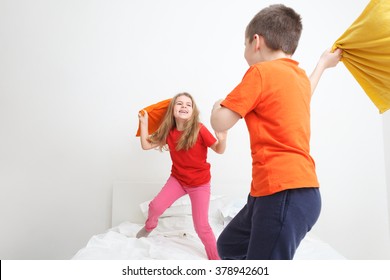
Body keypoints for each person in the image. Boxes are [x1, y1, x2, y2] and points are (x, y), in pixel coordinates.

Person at [210, 4, 342, 260]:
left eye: (244, 44)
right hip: (280, 193)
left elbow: (221, 123)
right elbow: (308, 90)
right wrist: (323, 64)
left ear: (256, 41)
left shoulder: (259, 73)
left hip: (283, 192)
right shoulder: (298, 76)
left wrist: (217, 106)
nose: (244, 51)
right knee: (230, 245)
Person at [137, 92, 227, 260]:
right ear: (173, 110)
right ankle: (149, 227)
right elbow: (146, 145)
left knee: (201, 226)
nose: (184, 106)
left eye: (188, 104)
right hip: (178, 180)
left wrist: (222, 138)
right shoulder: (169, 132)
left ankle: (216, 260)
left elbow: (219, 149)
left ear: (193, 111)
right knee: (155, 207)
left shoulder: (199, 129)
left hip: (199, 184)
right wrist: (144, 123)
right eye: (179, 103)